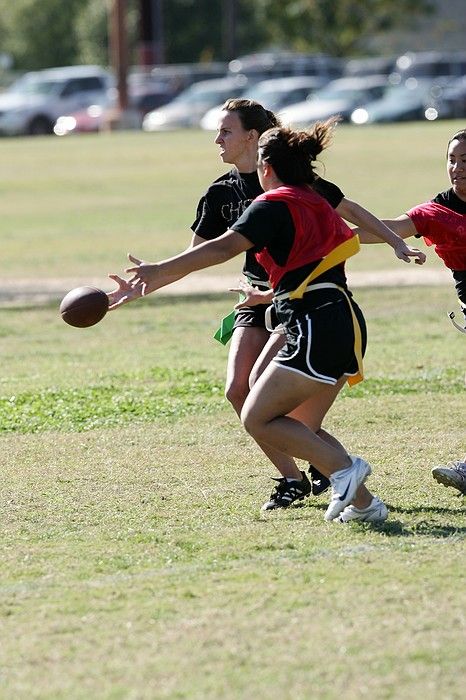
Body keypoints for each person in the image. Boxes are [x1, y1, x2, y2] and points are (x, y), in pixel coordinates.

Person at [107, 122, 424, 524]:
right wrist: (273, 296)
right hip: (333, 317)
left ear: (266, 167)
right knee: (288, 421)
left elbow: (222, 248)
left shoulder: (273, 204)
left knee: (257, 416)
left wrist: (157, 271)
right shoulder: (310, 198)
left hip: (315, 324)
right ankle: (364, 504)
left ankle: (344, 469)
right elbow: (313, 263)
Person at [188, 101, 425, 510]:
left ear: (253, 141)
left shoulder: (296, 186)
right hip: (263, 297)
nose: (218, 139)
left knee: (275, 413)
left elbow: (349, 213)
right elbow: (203, 251)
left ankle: (334, 470)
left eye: (226, 131)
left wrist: (395, 241)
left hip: (303, 302)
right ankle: (306, 477)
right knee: (239, 392)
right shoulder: (221, 191)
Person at [354, 128, 466, 496]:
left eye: (465, 160)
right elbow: (391, 228)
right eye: (452, 159)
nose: (457, 168)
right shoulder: (437, 212)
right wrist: (330, 232)